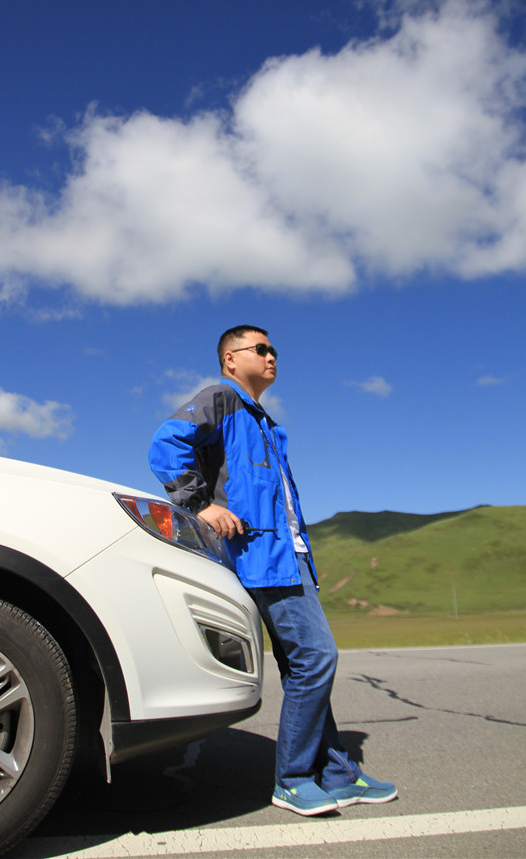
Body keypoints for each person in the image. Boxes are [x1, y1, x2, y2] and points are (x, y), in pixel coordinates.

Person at [148, 325, 397, 817]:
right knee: (316, 658)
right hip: (261, 556)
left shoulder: (264, 421)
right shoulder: (222, 399)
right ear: (230, 359)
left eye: (274, 349)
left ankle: (336, 772)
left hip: (289, 554)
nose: (271, 356)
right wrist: (200, 505)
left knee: (304, 665)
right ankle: (294, 779)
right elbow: (165, 444)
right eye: (260, 348)